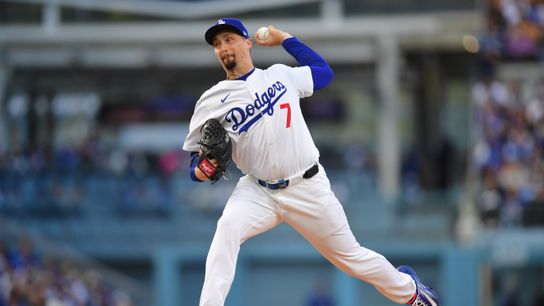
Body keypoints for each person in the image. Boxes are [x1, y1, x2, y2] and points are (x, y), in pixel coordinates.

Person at [182, 18, 440, 306]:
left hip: (307, 185)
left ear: (247, 43)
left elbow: (324, 73)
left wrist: (286, 39)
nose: (223, 47)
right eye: (217, 44)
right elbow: (195, 164)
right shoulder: (211, 100)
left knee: (350, 257)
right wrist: (204, 169)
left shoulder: (280, 75)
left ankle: (412, 293)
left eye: (229, 39)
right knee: (226, 230)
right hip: (258, 191)